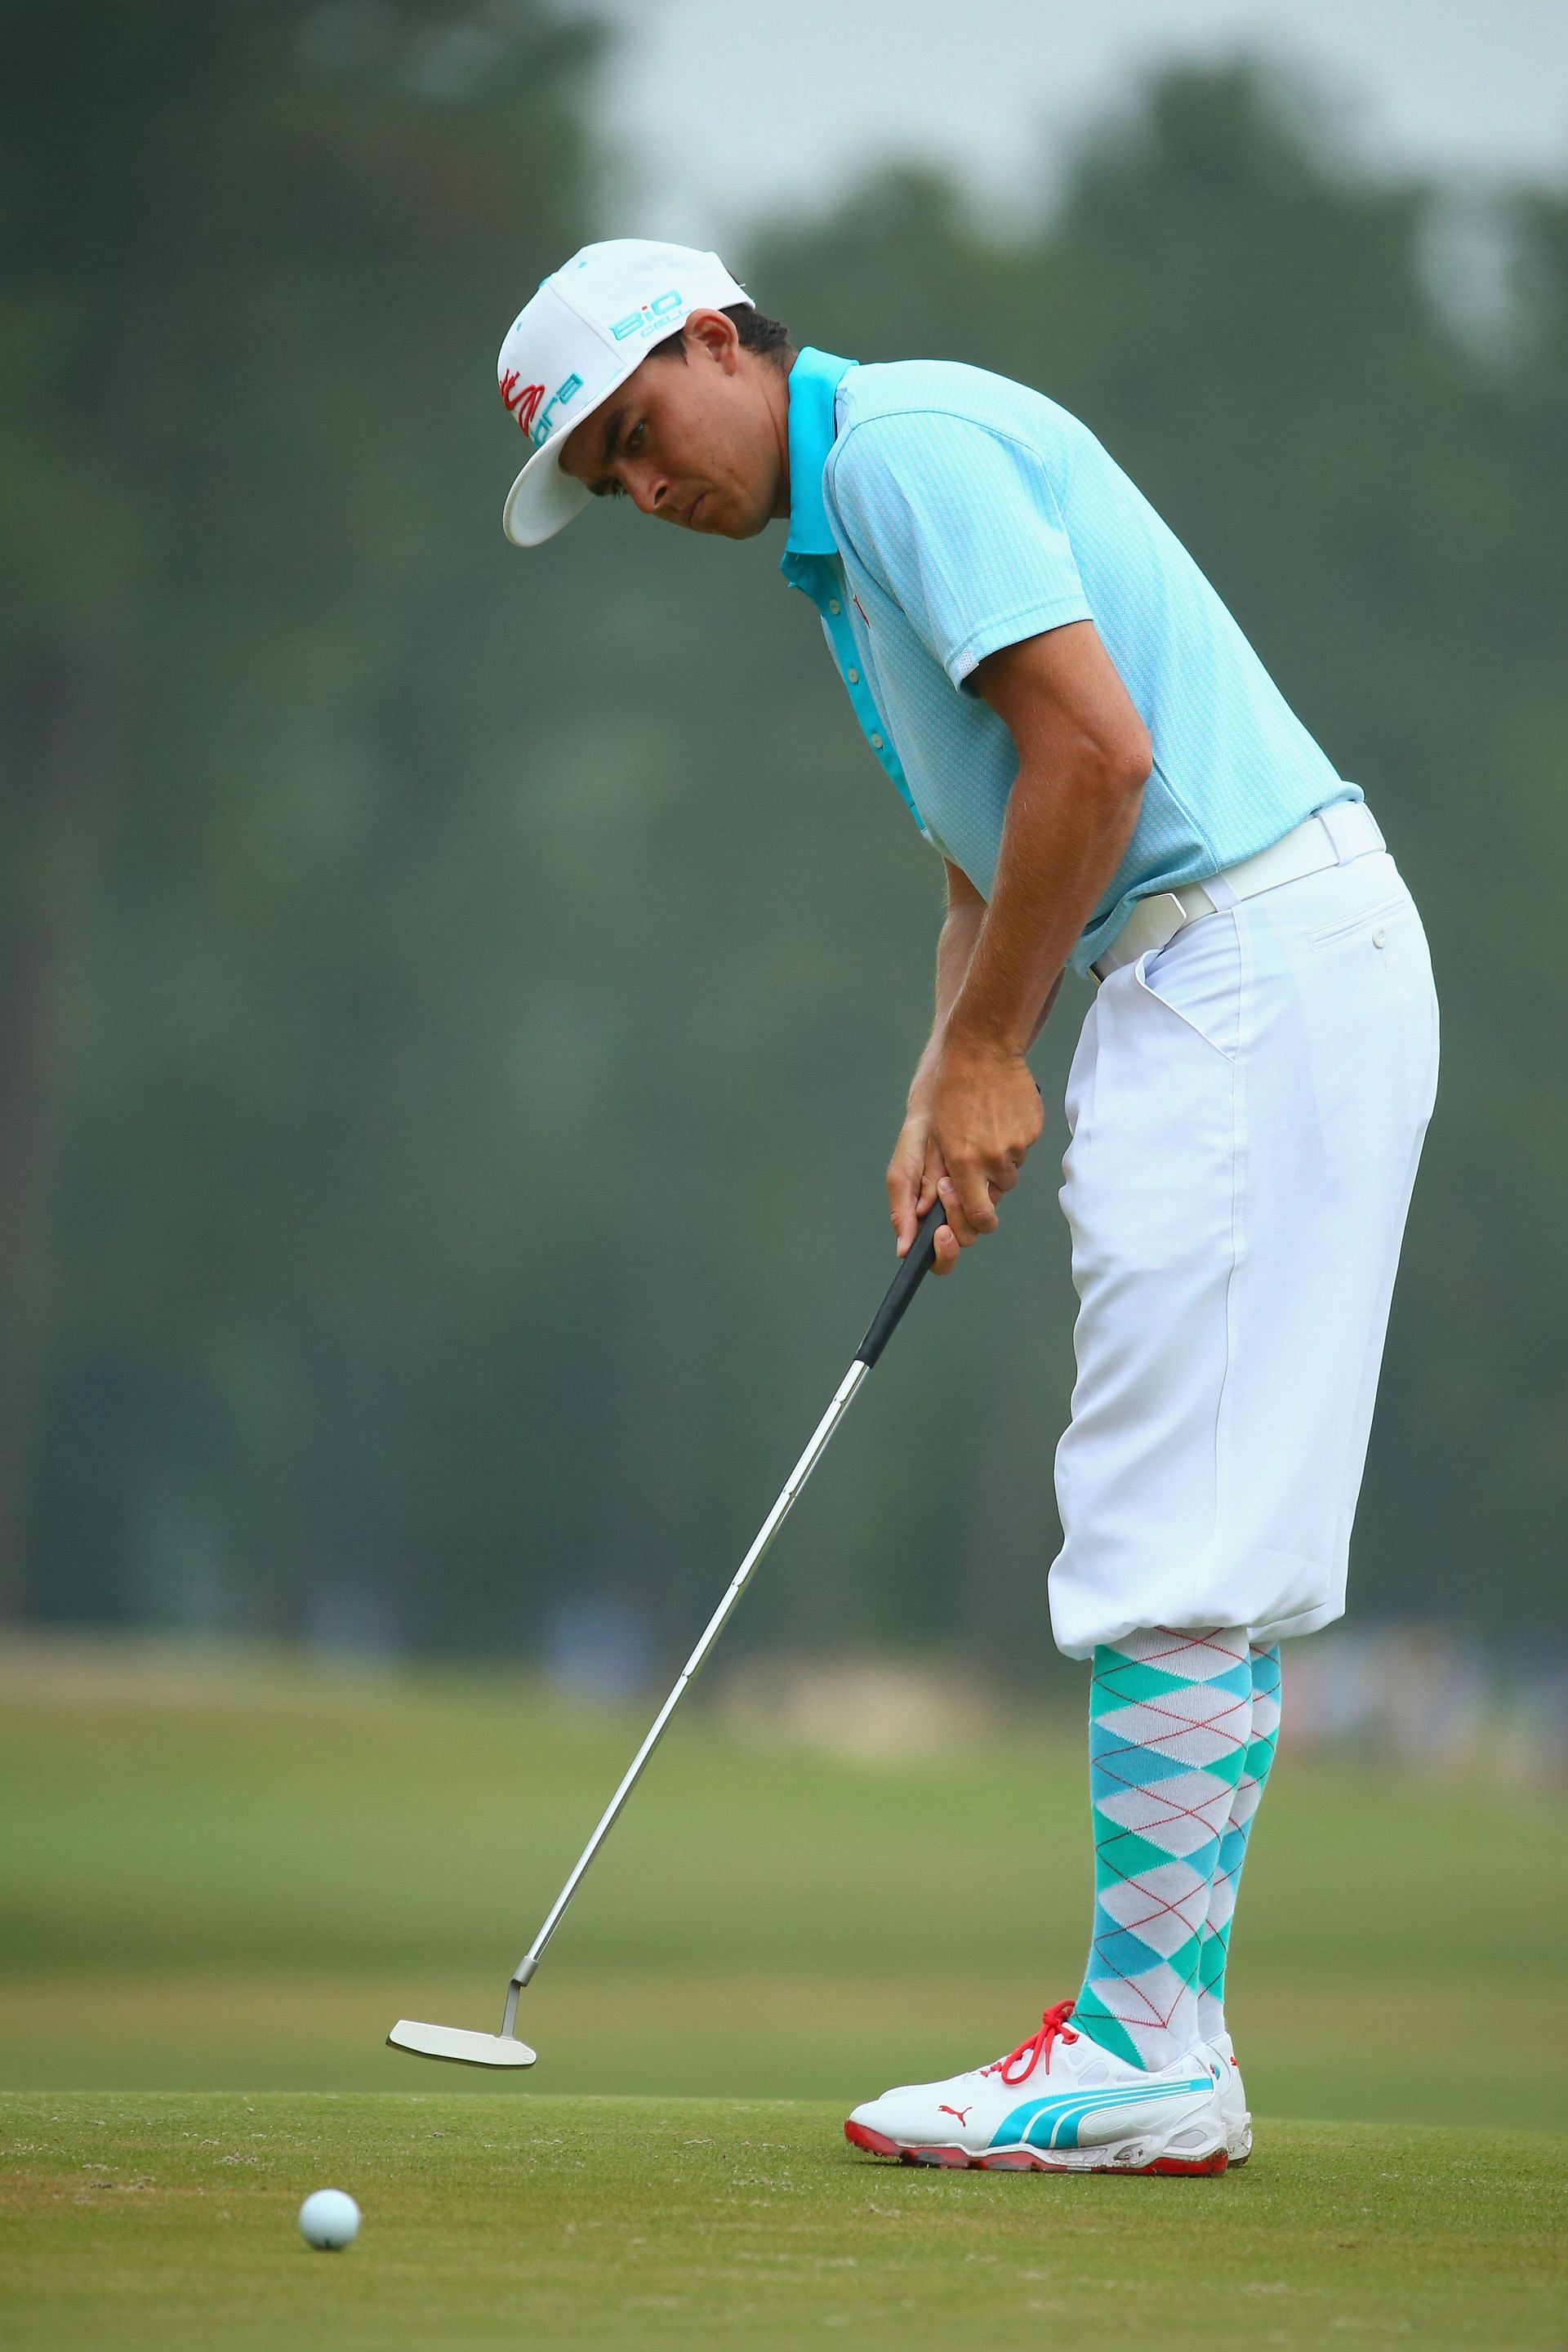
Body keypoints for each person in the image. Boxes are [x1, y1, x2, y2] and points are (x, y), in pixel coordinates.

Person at [493, 238, 1439, 2174]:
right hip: (1229, 965)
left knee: (1169, 1514)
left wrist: (1005, 1049)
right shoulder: (846, 537)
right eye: (607, 479)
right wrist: (952, 1074)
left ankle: (1143, 2047)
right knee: (1199, 1516)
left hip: (1239, 948)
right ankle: (1169, 2042)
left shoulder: (904, 448)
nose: (643, 486)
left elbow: (1099, 760)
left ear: (710, 337)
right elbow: (991, 842)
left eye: (636, 430)